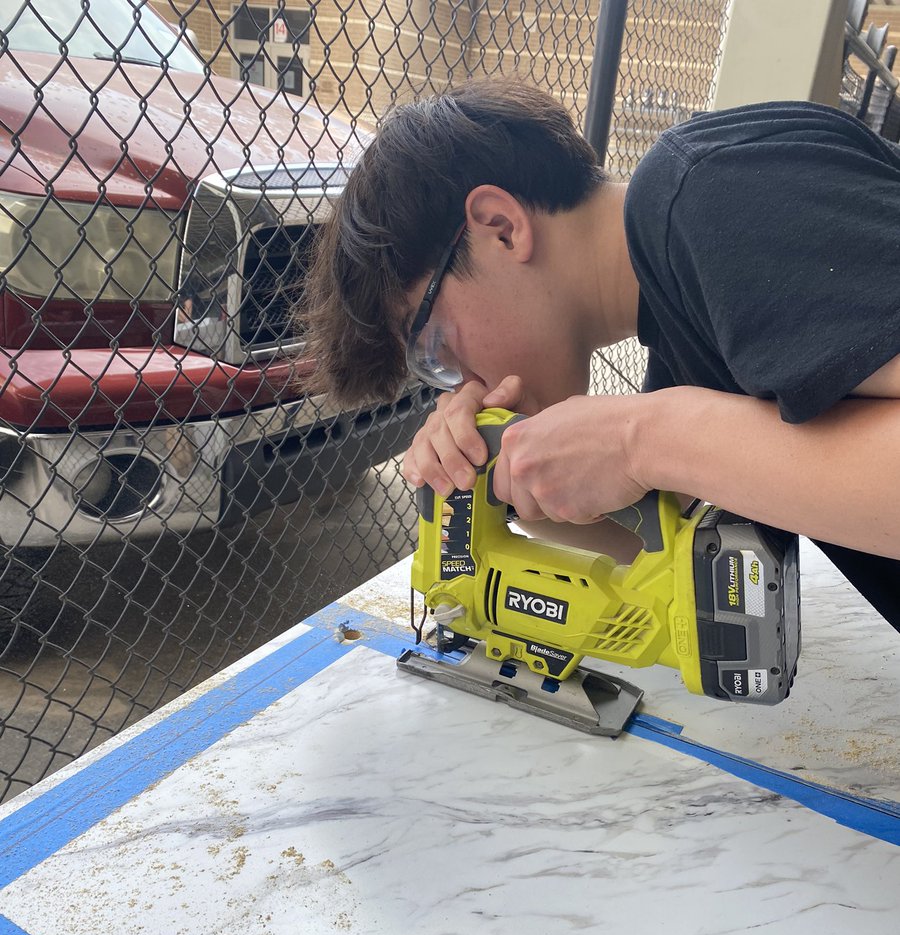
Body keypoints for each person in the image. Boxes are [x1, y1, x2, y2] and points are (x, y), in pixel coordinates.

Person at [301, 79, 900, 630]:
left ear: (501, 227)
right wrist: (512, 479)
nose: (461, 383)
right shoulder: (678, 319)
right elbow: (687, 557)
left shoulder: (713, 194)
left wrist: (646, 440)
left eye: (435, 345)